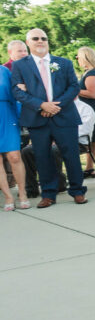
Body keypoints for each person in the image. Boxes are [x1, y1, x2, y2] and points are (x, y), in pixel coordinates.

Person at [10, 29, 87, 207]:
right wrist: (41, 105)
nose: (40, 41)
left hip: (64, 116)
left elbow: (73, 87)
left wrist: (55, 106)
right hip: (37, 119)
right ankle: (49, 194)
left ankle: (77, 191)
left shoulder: (64, 63)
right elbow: (16, 91)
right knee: (42, 157)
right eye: (35, 38)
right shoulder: (20, 66)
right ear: (28, 42)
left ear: (47, 41)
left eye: (43, 38)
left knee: (72, 156)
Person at [0, 62, 30, 211]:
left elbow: (15, 94)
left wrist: (20, 116)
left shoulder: (4, 71)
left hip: (7, 114)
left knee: (14, 156)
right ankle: (8, 196)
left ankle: (22, 193)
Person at [75, 46, 95, 178]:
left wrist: (74, 90)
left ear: (85, 57)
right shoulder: (88, 72)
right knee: (91, 140)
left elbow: (94, 94)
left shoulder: (92, 73)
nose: (77, 59)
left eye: (78, 56)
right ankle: (89, 168)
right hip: (92, 110)